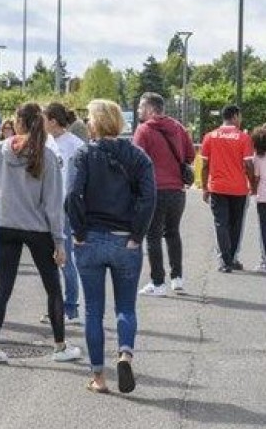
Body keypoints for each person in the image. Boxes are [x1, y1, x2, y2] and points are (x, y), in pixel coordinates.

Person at [67, 99, 156, 394]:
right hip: (125, 239)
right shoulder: (138, 157)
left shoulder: (83, 155)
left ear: (94, 123)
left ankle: (99, 377)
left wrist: (78, 232)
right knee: (126, 307)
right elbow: (148, 198)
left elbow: (73, 196)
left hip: (90, 238)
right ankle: (125, 353)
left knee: (93, 311)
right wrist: (137, 234)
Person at [0, 103, 81, 365]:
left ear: (18, 122)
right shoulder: (47, 154)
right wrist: (59, 241)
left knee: (3, 289)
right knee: (53, 289)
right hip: (38, 228)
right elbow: (53, 202)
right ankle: (60, 347)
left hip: (6, 225)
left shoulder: (3, 150)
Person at [133, 92, 196, 295]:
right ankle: (177, 278)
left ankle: (158, 283)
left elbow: (136, 161)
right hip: (177, 191)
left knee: (153, 237)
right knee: (173, 233)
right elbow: (190, 155)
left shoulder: (143, 130)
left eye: (141, 107)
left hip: (155, 191)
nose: (138, 110)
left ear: (151, 109)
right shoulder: (178, 127)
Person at [42, 102, 86, 323]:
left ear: (53, 121)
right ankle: (54, 305)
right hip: (46, 208)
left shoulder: (75, 144)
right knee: (49, 260)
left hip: (64, 209)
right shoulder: (46, 141)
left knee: (65, 258)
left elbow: (78, 180)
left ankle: (71, 307)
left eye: (44, 119)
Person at [201, 104, 255, 273]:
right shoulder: (243, 138)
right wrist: (252, 184)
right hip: (238, 188)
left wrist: (204, 187)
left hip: (217, 188)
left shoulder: (210, 136)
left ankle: (225, 261)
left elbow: (204, 165)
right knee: (236, 224)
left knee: (221, 224)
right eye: (240, 116)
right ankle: (232, 258)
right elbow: (248, 164)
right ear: (235, 116)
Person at [250, 126, 266, 272]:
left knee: (264, 231)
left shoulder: (258, 157)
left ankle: (264, 261)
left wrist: (252, 192)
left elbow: (256, 177)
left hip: (263, 198)